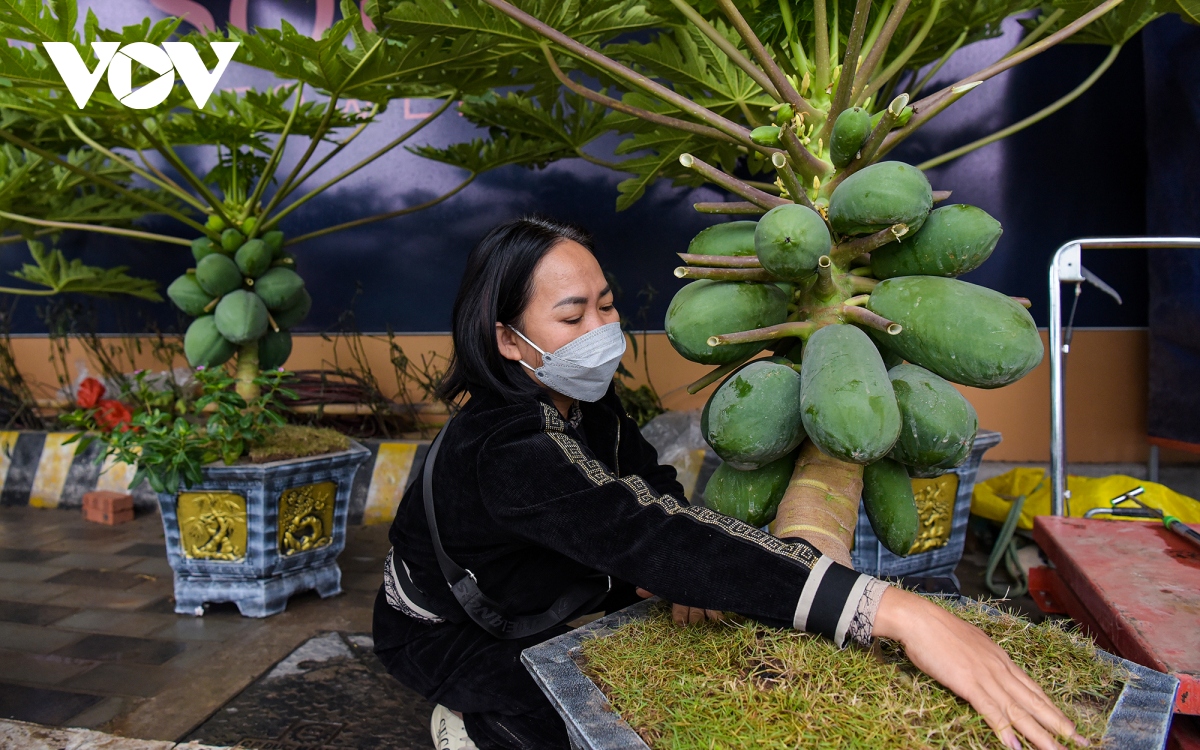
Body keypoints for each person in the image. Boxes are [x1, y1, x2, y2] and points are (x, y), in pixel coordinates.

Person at [374, 215, 1085, 750]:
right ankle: (469, 722)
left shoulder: (585, 403)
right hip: (453, 632)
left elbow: (650, 495)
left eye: (606, 304)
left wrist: (676, 575)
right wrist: (893, 611)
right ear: (506, 339)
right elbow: (641, 532)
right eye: (571, 315)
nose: (600, 326)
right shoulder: (503, 445)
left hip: (552, 588)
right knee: (583, 721)